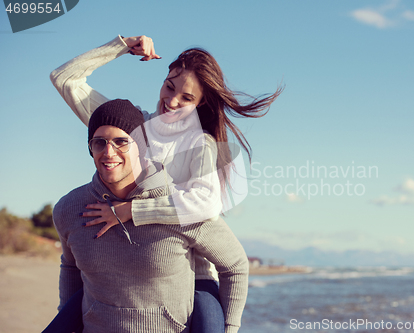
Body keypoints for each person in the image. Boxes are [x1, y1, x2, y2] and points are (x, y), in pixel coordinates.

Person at [48, 35, 282, 332]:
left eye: (187, 98)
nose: (172, 101)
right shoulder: (128, 127)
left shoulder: (198, 145)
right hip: (117, 275)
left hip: (192, 275)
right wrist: (120, 46)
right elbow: (65, 79)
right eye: (170, 86)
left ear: (201, 103)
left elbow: (206, 203)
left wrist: (131, 211)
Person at [51, 99, 249, 333]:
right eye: (99, 142)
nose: (108, 152)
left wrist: (229, 327)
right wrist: (65, 317)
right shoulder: (69, 208)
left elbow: (235, 265)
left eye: (121, 142)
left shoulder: (180, 207)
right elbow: (71, 267)